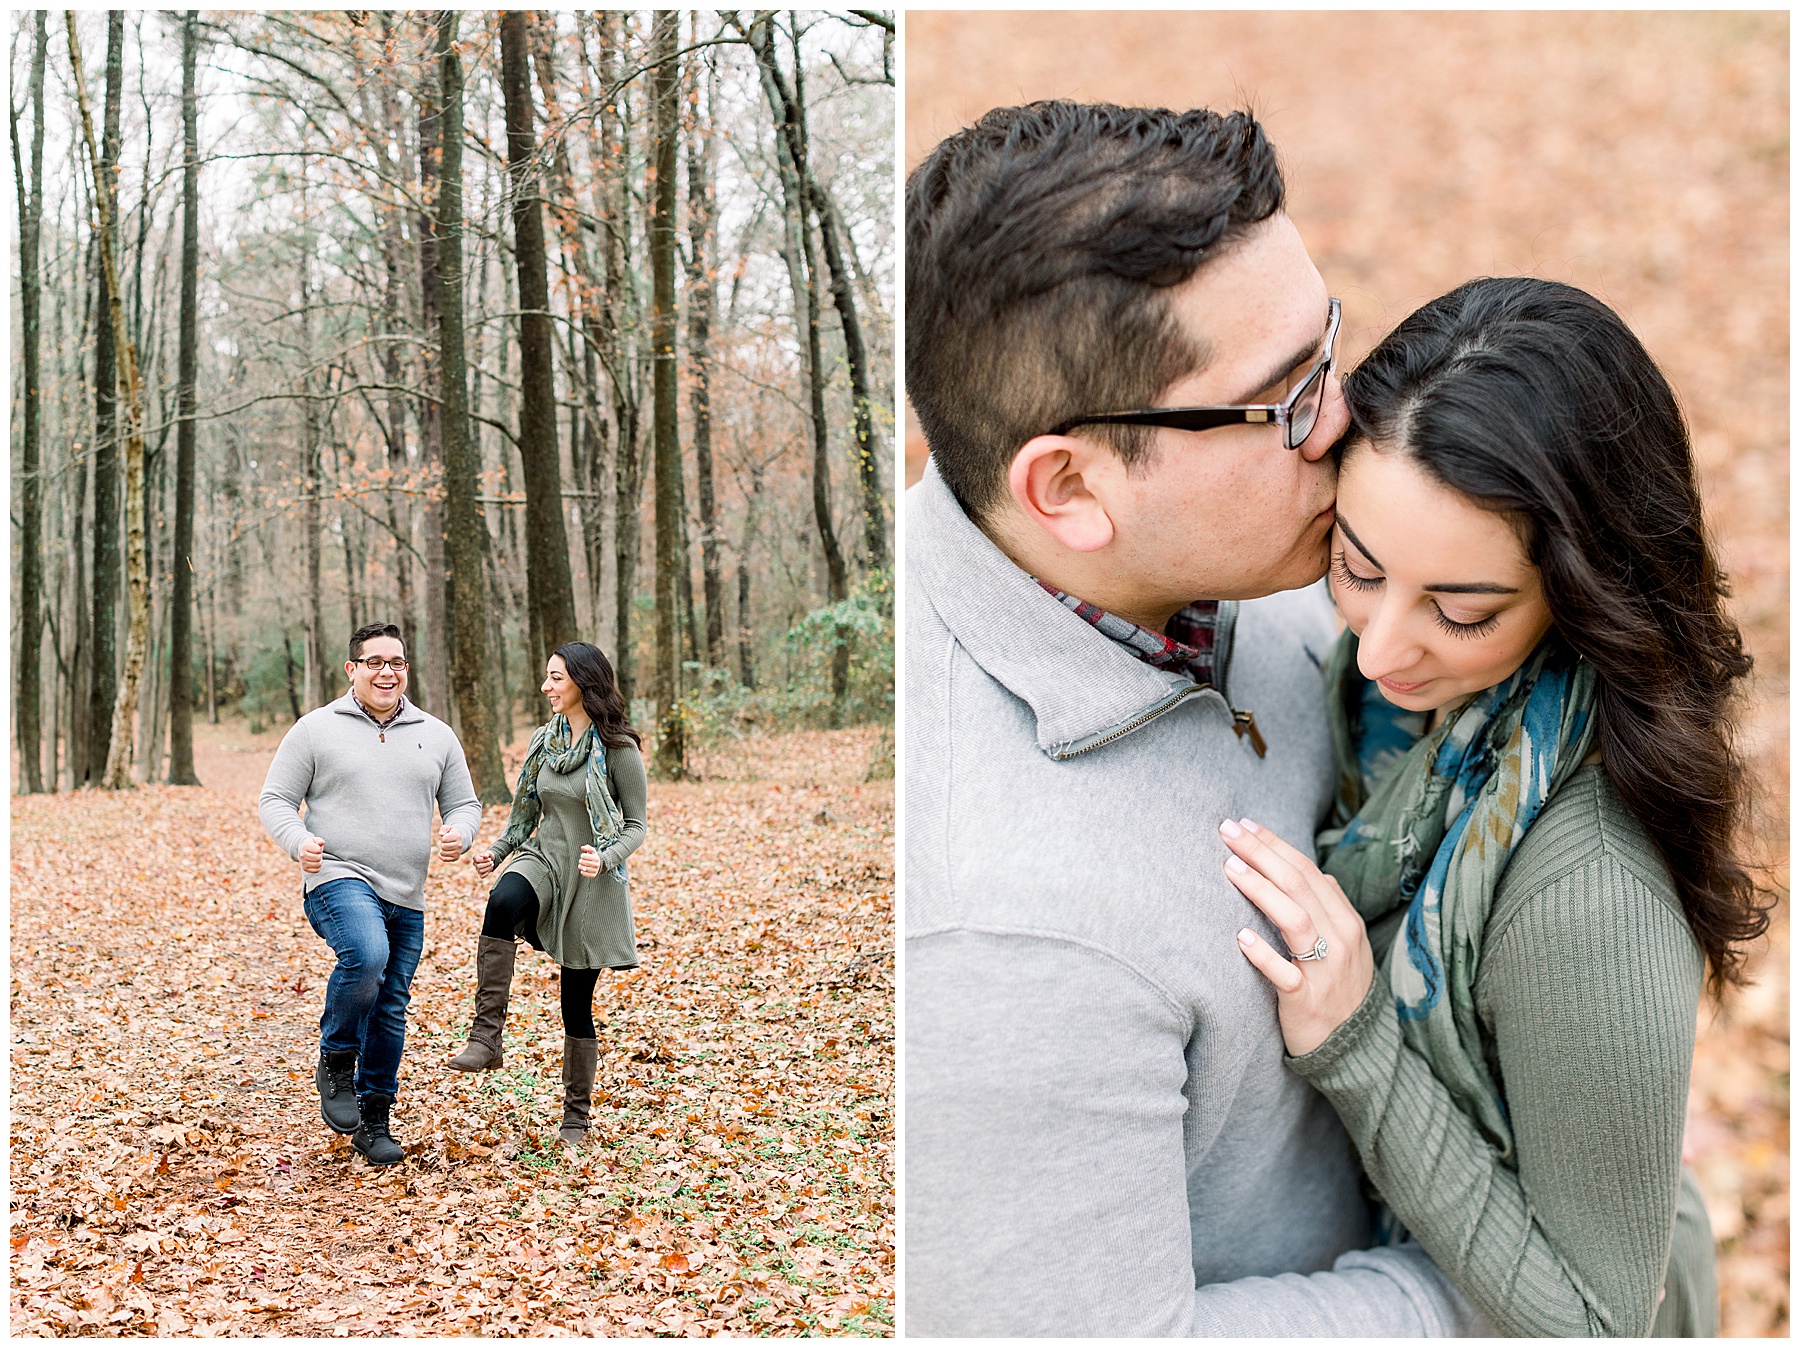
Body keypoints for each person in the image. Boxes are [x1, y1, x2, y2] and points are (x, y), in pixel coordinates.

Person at [904, 100, 1485, 1335]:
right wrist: (1491, 1286)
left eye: (1329, 346)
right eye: (1284, 403)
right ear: (1069, 487)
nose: (1349, 425)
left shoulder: (1238, 556)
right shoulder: (995, 935)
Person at [1217, 276, 1764, 1336]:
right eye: (1357, 569)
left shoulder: (1587, 888)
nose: (1378, 651)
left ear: (1584, 590)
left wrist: (1360, 1042)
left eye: (1460, 612)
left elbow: (1600, 1319)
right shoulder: (1410, 711)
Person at [259, 621, 481, 1166]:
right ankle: (336, 1057)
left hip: (407, 891)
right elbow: (276, 799)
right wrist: (299, 842)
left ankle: (374, 1118)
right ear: (352, 669)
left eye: (397, 662)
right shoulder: (315, 729)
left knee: (390, 1007)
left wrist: (459, 832)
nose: (387, 672)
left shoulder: (436, 733)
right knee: (367, 955)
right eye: (375, 662)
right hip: (336, 875)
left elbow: (465, 804)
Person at [448, 642, 648, 1148]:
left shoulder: (619, 748)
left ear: (583, 681)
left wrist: (605, 857)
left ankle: (575, 1119)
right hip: (544, 857)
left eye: (556, 678)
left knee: (574, 1004)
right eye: (546, 677)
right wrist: (496, 852)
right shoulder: (545, 741)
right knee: (501, 902)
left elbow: (637, 826)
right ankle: (486, 1035)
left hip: (591, 880)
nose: (546, 687)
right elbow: (524, 813)